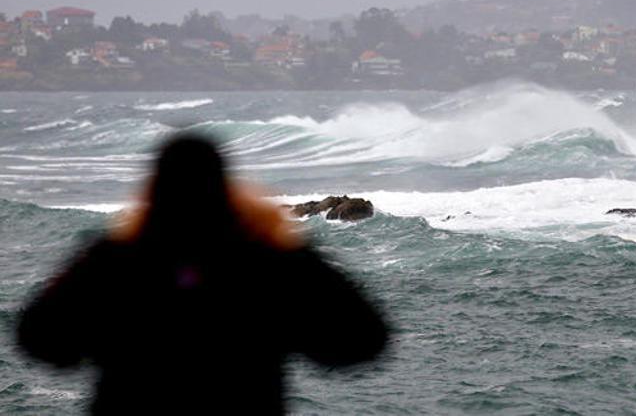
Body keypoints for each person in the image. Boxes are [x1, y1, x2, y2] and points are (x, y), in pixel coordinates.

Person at [17, 135, 388, 415]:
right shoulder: (270, 262)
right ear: (226, 190)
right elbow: (363, 339)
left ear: (154, 191)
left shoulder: (115, 260)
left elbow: (38, 336)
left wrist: (93, 347)